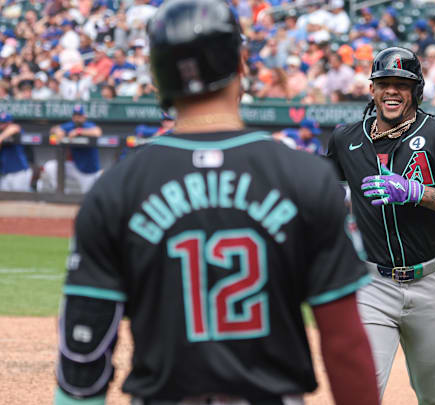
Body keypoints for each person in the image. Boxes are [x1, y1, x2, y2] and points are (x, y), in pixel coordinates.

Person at [54, 2, 380, 405]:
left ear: (158, 76)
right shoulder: (307, 179)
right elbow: (345, 343)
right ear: (242, 64)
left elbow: (82, 361)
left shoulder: (115, 189)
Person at [326, 46, 435, 405]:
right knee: (362, 390)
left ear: (415, 89)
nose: (391, 91)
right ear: (371, 89)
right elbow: (324, 195)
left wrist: (418, 193)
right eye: (383, 82)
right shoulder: (346, 139)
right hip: (372, 284)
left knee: (432, 394)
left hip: (428, 284)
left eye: (401, 84)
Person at [39, 104, 103, 194]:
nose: (77, 118)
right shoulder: (71, 126)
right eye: (75, 116)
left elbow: (98, 132)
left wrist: (79, 132)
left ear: (84, 117)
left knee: (88, 198)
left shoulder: (88, 125)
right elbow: (55, 129)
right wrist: (58, 132)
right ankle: (62, 192)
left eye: (79, 116)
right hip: (75, 167)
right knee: (50, 166)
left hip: (89, 172)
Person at [0, 112, 32, 191]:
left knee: (21, 200)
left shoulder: (14, 130)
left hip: (19, 173)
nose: (1, 125)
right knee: (6, 201)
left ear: (10, 122)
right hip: (5, 174)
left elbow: (15, 128)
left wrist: (1, 137)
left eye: (4, 123)